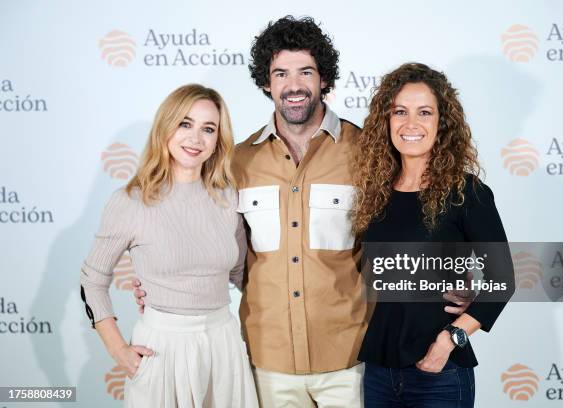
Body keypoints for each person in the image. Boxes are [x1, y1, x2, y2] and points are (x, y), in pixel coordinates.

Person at [133, 18, 473, 408]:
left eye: (305, 72)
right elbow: (207, 241)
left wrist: (462, 284)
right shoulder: (237, 162)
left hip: (352, 360)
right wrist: (161, 282)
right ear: (267, 82)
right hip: (266, 362)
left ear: (324, 78)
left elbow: (410, 227)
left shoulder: (368, 153)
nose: (293, 85)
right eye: (281, 73)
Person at [80, 84, 258, 407]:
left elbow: (241, 275)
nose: (196, 139)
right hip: (161, 348)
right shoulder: (131, 201)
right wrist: (118, 349)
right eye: (185, 124)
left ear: (218, 139)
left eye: (208, 129)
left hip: (224, 343)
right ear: (165, 127)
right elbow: (92, 282)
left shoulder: (229, 198)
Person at [352, 63, 515, 408]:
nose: (411, 124)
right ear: (387, 120)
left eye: (424, 112)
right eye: (400, 112)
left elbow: (503, 279)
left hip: (439, 372)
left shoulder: (467, 192)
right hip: (380, 371)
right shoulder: (375, 192)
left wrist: (449, 340)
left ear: (442, 124)